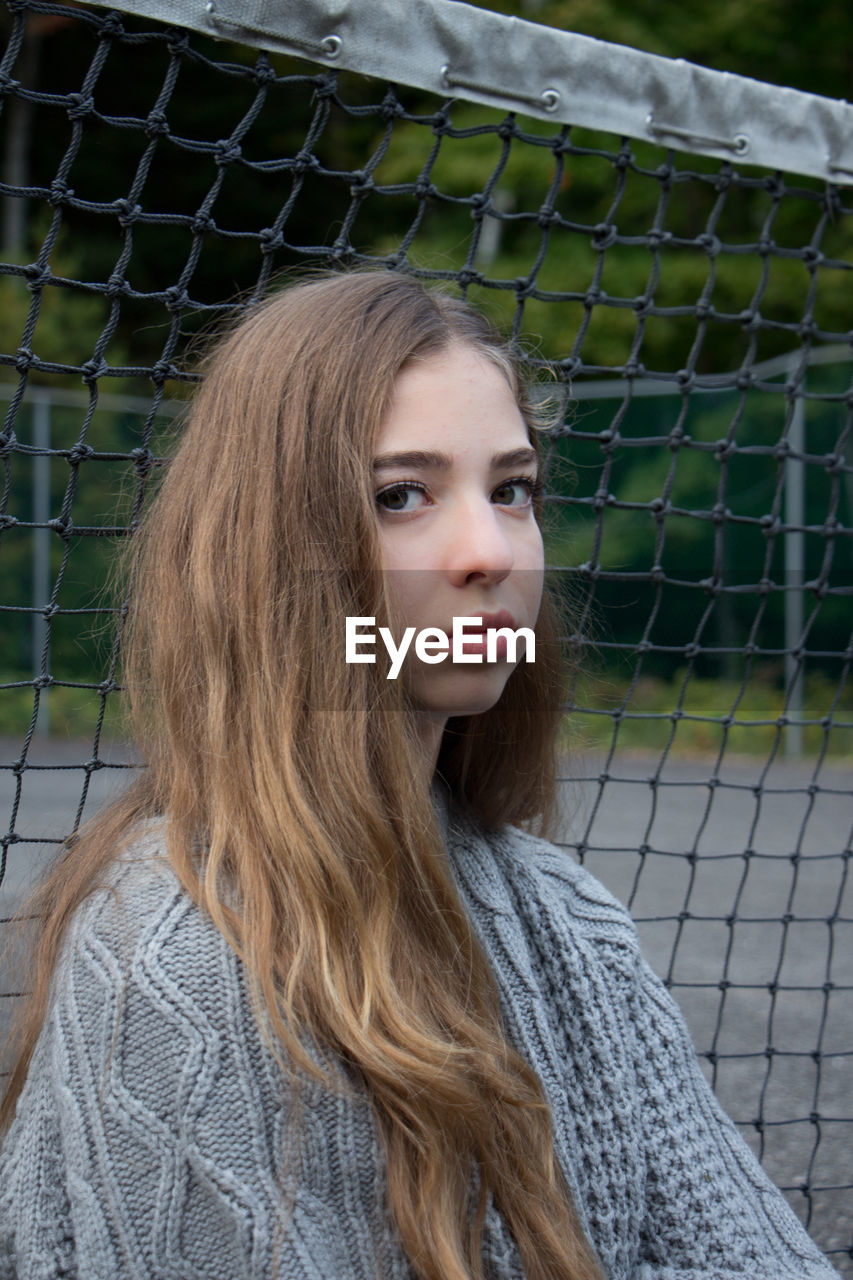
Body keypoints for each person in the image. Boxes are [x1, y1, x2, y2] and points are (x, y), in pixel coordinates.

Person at [0, 270, 840, 1280]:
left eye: (511, 487)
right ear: (274, 549)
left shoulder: (569, 918)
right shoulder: (171, 953)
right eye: (401, 494)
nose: (488, 549)